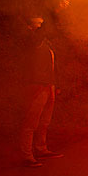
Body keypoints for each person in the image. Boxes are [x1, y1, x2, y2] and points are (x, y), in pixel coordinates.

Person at [19, 11, 65, 167]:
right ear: (30, 26)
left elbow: (53, 66)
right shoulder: (30, 39)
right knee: (31, 121)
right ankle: (27, 155)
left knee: (44, 121)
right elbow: (45, 30)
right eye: (38, 23)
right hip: (36, 85)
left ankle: (41, 148)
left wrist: (55, 85)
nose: (41, 25)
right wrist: (56, 12)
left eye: (41, 22)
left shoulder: (45, 43)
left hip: (48, 85)